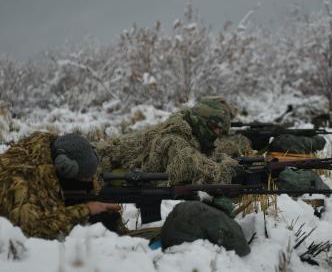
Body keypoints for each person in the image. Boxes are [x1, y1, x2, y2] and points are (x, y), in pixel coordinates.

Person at [0, 132, 120, 239]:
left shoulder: (56, 158)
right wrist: (85, 210)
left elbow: (89, 197)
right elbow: (33, 229)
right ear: (63, 168)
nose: (87, 185)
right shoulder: (18, 178)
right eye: (82, 180)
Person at [95, 99, 239, 185]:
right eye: (215, 128)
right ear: (200, 123)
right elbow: (192, 168)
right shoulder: (174, 138)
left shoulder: (187, 131)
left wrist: (222, 159)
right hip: (98, 170)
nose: (217, 134)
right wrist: (229, 170)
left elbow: (205, 155)